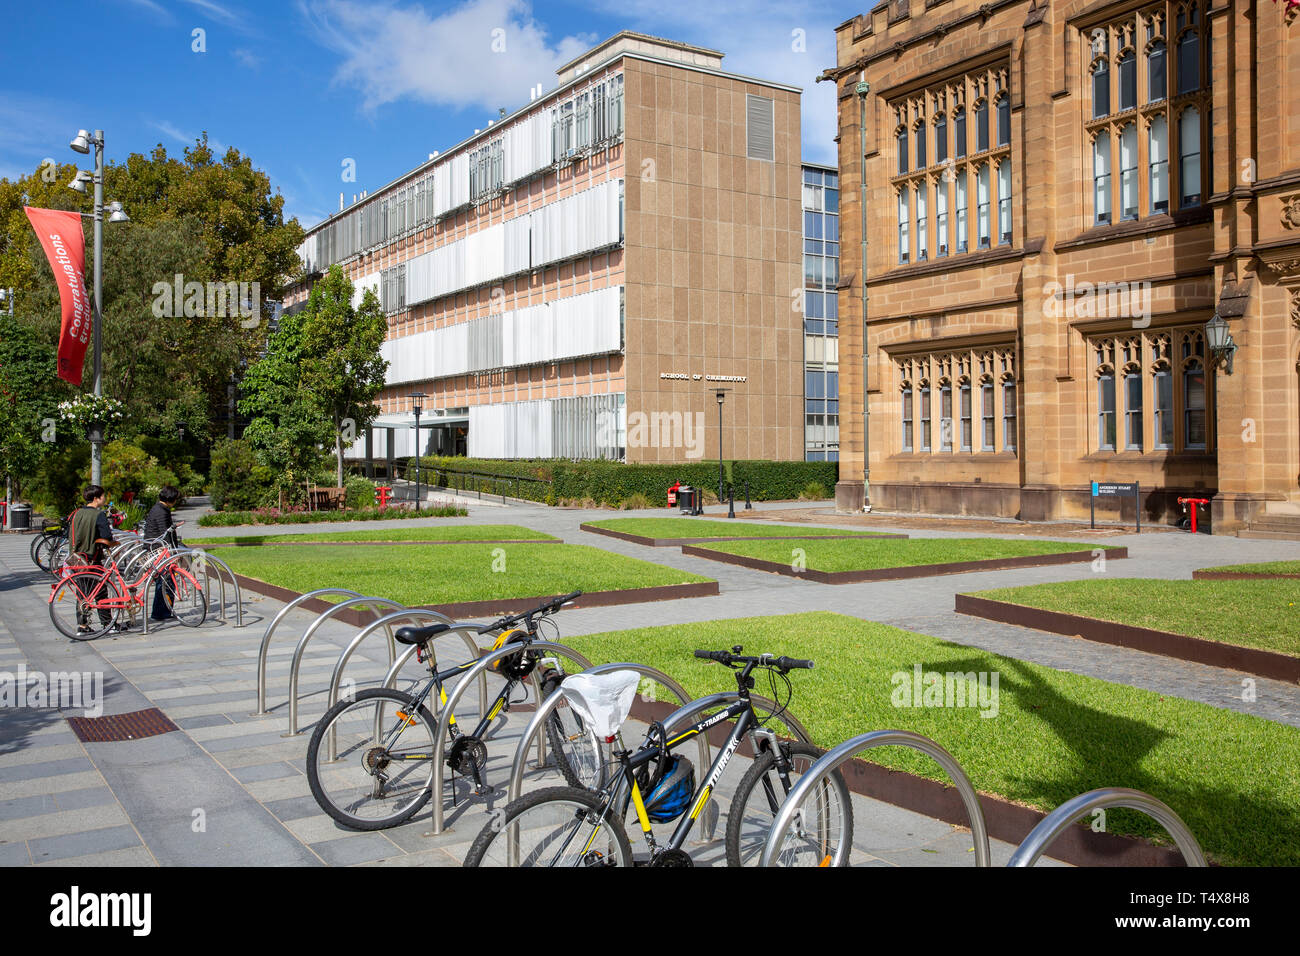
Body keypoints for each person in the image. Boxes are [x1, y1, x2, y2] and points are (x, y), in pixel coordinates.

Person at [71, 485, 127, 634]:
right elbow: (106, 536)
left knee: (83, 593)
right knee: (101, 591)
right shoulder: (98, 515)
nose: (105, 499)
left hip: (76, 558)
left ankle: (82, 626)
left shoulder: (77, 513)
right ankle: (108, 625)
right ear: (96, 498)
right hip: (92, 558)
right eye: (103, 496)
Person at [144, 485, 181, 621]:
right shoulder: (162, 511)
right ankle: (161, 612)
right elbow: (164, 533)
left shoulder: (158, 509)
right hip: (159, 549)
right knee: (165, 580)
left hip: (155, 547)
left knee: (163, 580)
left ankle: (162, 610)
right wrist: (171, 554)